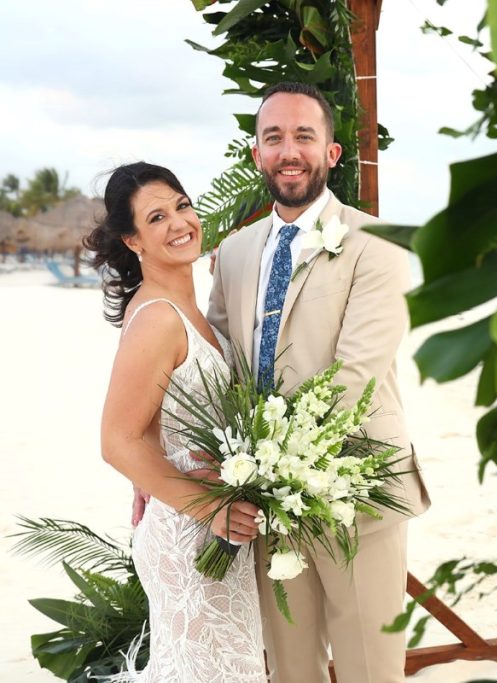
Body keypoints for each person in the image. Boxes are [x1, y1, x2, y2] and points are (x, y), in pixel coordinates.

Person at [207, 82, 431, 683]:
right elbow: (218, 364)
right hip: (262, 504)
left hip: (357, 490)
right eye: (273, 137)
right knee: (289, 668)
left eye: (304, 136)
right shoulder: (232, 252)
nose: (289, 150)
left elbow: (356, 375)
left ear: (331, 154)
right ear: (256, 153)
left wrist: (284, 461)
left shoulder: (375, 245)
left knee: (369, 668)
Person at [86, 162, 266, 682]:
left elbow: (153, 419)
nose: (179, 223)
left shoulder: (193, 309)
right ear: (133, 240)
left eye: (182, 206)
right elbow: (115, 440)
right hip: (190, 534)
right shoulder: (160, 317)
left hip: (214, 527)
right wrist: (206, 504)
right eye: (157, 217)